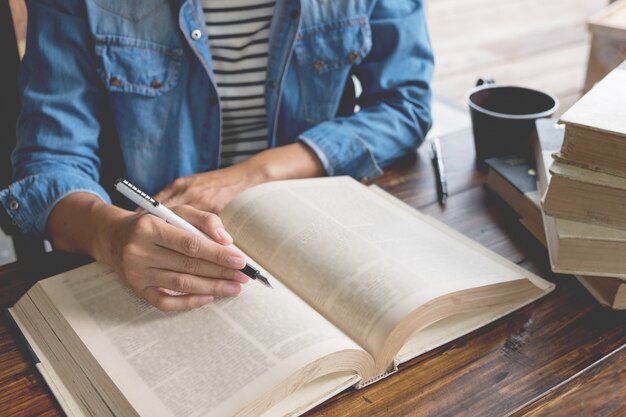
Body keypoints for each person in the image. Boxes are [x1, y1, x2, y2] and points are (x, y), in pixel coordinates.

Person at [0, 0, 433, 311]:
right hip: (154, 245)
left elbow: (404, 104)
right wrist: (111, 236)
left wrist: (257, 172)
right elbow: (50, 161)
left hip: (314, 224)